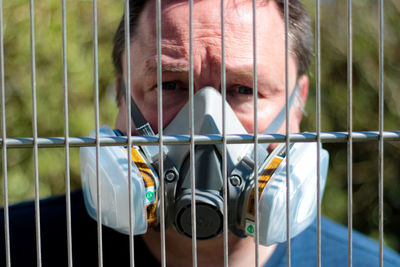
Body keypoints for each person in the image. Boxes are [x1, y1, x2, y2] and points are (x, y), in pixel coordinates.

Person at [1, 0, 400, 266]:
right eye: (169, 85)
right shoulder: (16, 246)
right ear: (122, 93)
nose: (205, 125)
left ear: (298, 102)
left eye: (244, 90)